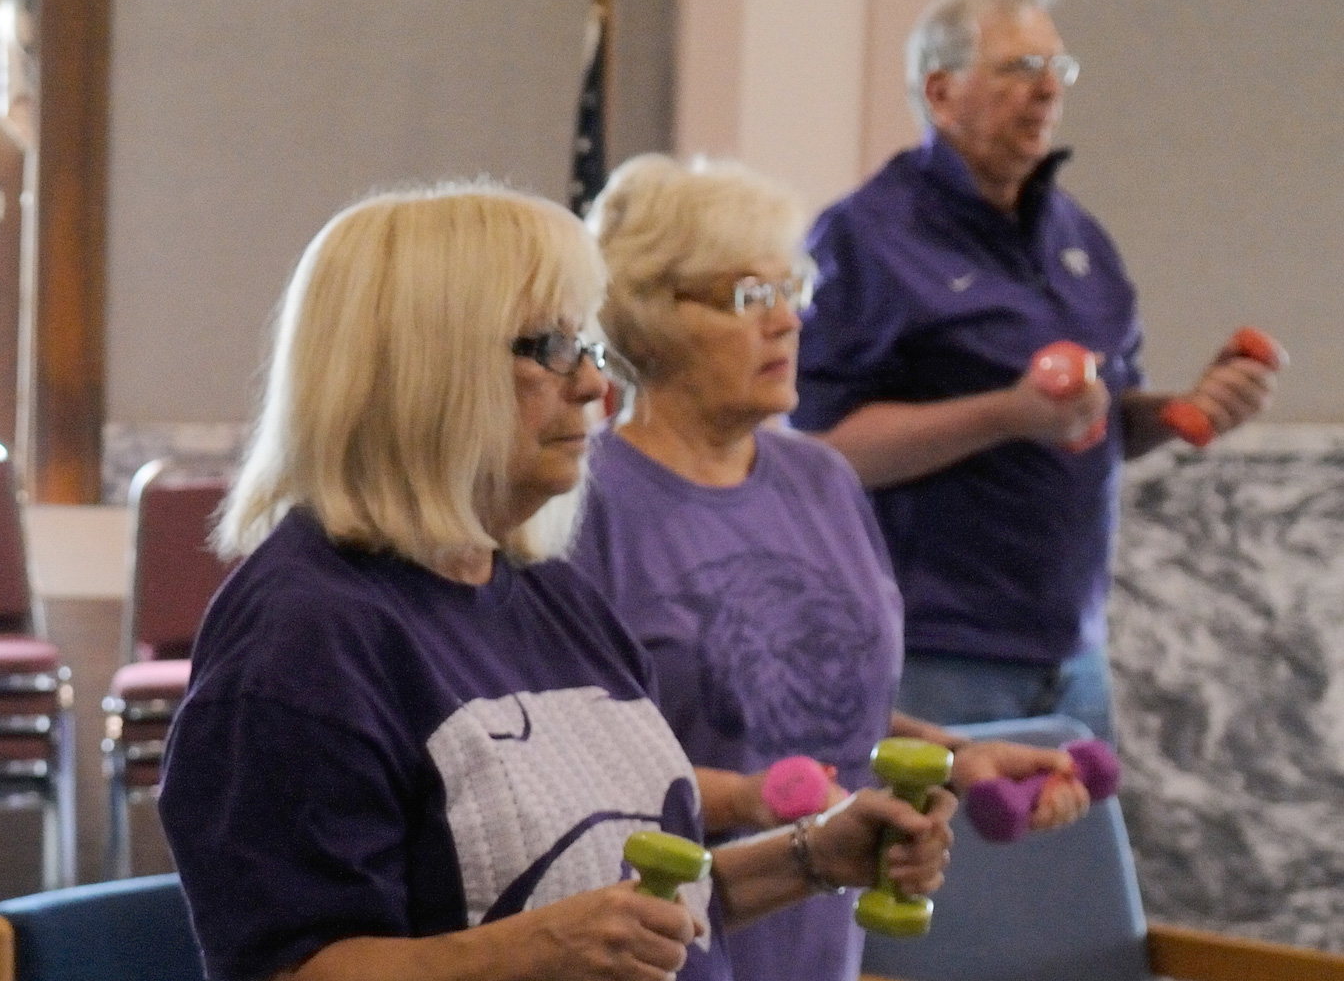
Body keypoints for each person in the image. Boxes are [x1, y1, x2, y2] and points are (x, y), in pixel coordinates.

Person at [157, 183, 954, 981]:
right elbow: (292, 969)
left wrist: (812, 857)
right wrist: (535, 951)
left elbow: (640, 910)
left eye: (589, 348)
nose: (593, 388)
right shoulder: (304, 638)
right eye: (548, 347)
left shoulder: (552, 598)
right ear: (423, 366)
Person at [576, 154, 1096, 981]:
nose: (787, 320)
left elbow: (823, 706)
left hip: (822, 948)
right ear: (646, 317)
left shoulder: (821, 480)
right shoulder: (587, 503)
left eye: (792, 290)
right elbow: (571, 769)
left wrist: (957, 758)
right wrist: (760, 802)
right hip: (662, 948)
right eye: (750, 296)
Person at [795, 0, 1279, 744]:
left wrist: (1181, 411)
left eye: (1059, 67)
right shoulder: (864, 238)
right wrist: (1007, 414)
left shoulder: (1078, 236)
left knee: (1081, 831)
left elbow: (1095, 423)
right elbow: (818, 453)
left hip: (1072, 648)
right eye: (1021, 68)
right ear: (941, 92)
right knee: (938, 833)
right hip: (933, 652)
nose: (1050, 89)